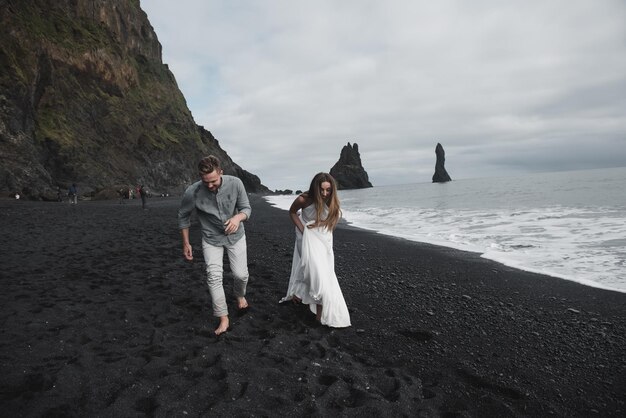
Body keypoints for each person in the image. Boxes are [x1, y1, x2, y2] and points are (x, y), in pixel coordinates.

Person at [178, 155, 251, 335]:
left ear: (221, 172)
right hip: (211, 239)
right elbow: (183, 216)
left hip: (236, 236)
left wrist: (237, 218)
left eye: (214, 181)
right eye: (206, 182)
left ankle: (240, 295)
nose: (210, 186)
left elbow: (246, 209)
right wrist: (186, 243)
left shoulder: (235, 184)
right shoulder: (192, 192)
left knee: (240, 275)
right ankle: (223, 317)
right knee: (213, 276)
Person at [280, 172, 351, 328]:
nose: (325, 193)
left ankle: (315, 310)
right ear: (315, 188)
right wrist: (303, 229)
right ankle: (302, 295)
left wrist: (321, 224)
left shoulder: (332, 201)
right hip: (305, 236)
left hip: (323, 238)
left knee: (322, 274)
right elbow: (292, 212)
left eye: (328, 190)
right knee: (311, 269)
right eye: (322, 190)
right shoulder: (303, 199)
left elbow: (334, 218)